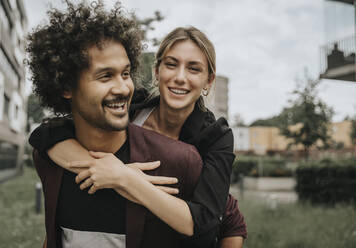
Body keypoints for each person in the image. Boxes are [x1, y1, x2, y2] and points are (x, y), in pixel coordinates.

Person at [28, 2, 246, 248]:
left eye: (194, 69)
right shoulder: (131, 108)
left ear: (209, 80)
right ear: (157, 70)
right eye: (171, 64)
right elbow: (46, 134)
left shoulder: (213, 139)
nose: (180, 77)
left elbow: (222, 214)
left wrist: (124, 177)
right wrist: (98, 166)